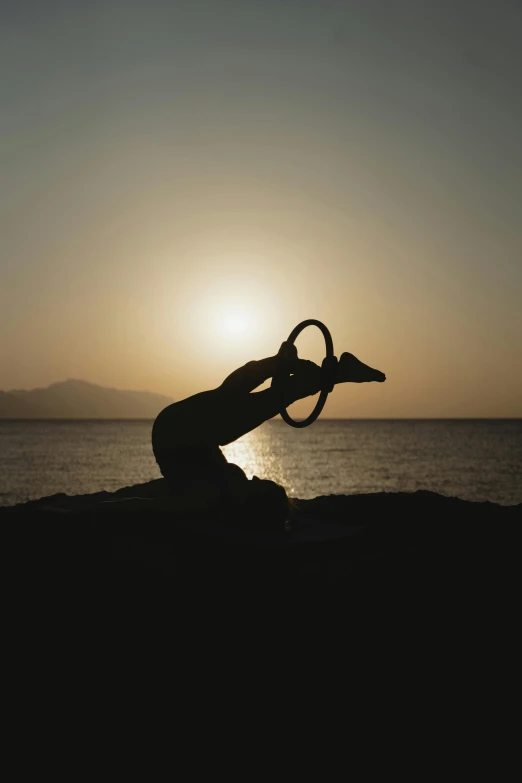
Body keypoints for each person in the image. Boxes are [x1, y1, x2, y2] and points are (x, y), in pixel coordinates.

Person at [152, 342, 385, 528]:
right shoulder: (223, 493)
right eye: (261, 481)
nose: (254, 477)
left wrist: (118, 506)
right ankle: (307, 369)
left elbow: (150, 506)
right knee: (234, 401)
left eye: (260, 484)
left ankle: (309, 370)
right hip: (184, 435)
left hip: (176, 435)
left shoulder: (211, 501)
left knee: (236, 404)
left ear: (253, 503)